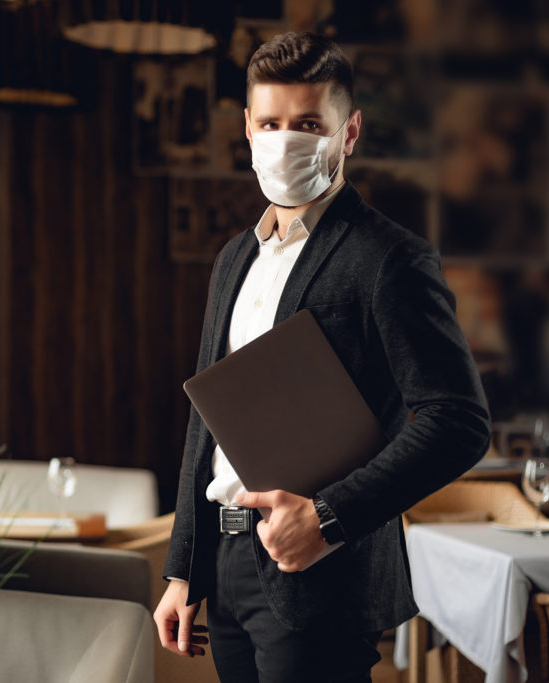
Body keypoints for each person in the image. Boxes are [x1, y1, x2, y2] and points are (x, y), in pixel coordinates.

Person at [153, 32, 491, 683]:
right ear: (248, 130)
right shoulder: (233, 259)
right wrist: (182, 569)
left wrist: (328, 519)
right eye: (272, 123)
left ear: (350, 131)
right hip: (225, 571)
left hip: (324, 571)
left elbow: (458, 419)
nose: (286, 140)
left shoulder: (390, 257)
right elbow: (207, 426)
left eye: (308, 124)